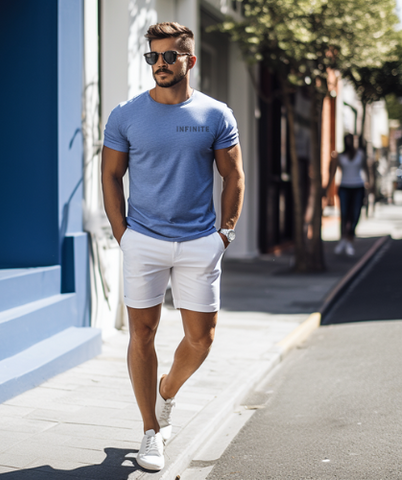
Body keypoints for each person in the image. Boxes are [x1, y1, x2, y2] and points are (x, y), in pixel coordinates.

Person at [101, 22, 245, 471]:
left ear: (189, 60)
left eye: (168, 56)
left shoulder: (215, 114)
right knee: (142, 333)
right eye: (153, 57)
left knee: (201, 340)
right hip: (143, 238)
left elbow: (234, 176)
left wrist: (225, 233)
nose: (159, 64)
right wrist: (122, 233)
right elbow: (110, 175)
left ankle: (166, 392)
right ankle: (150, 430)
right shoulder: (125, 115)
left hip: (200, 241)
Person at [324, 133, 370, 256]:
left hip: (358, 187)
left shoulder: (361, 154)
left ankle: (350, 238)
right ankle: (343, 239)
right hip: (344, 187)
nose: (349, 142)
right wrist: (327, 189)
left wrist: (370, 186)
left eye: (351, 140)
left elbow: (366, 170)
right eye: (347, 140)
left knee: (355, 214)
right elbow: (332, 173)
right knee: (344, 214)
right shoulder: (340, 156)